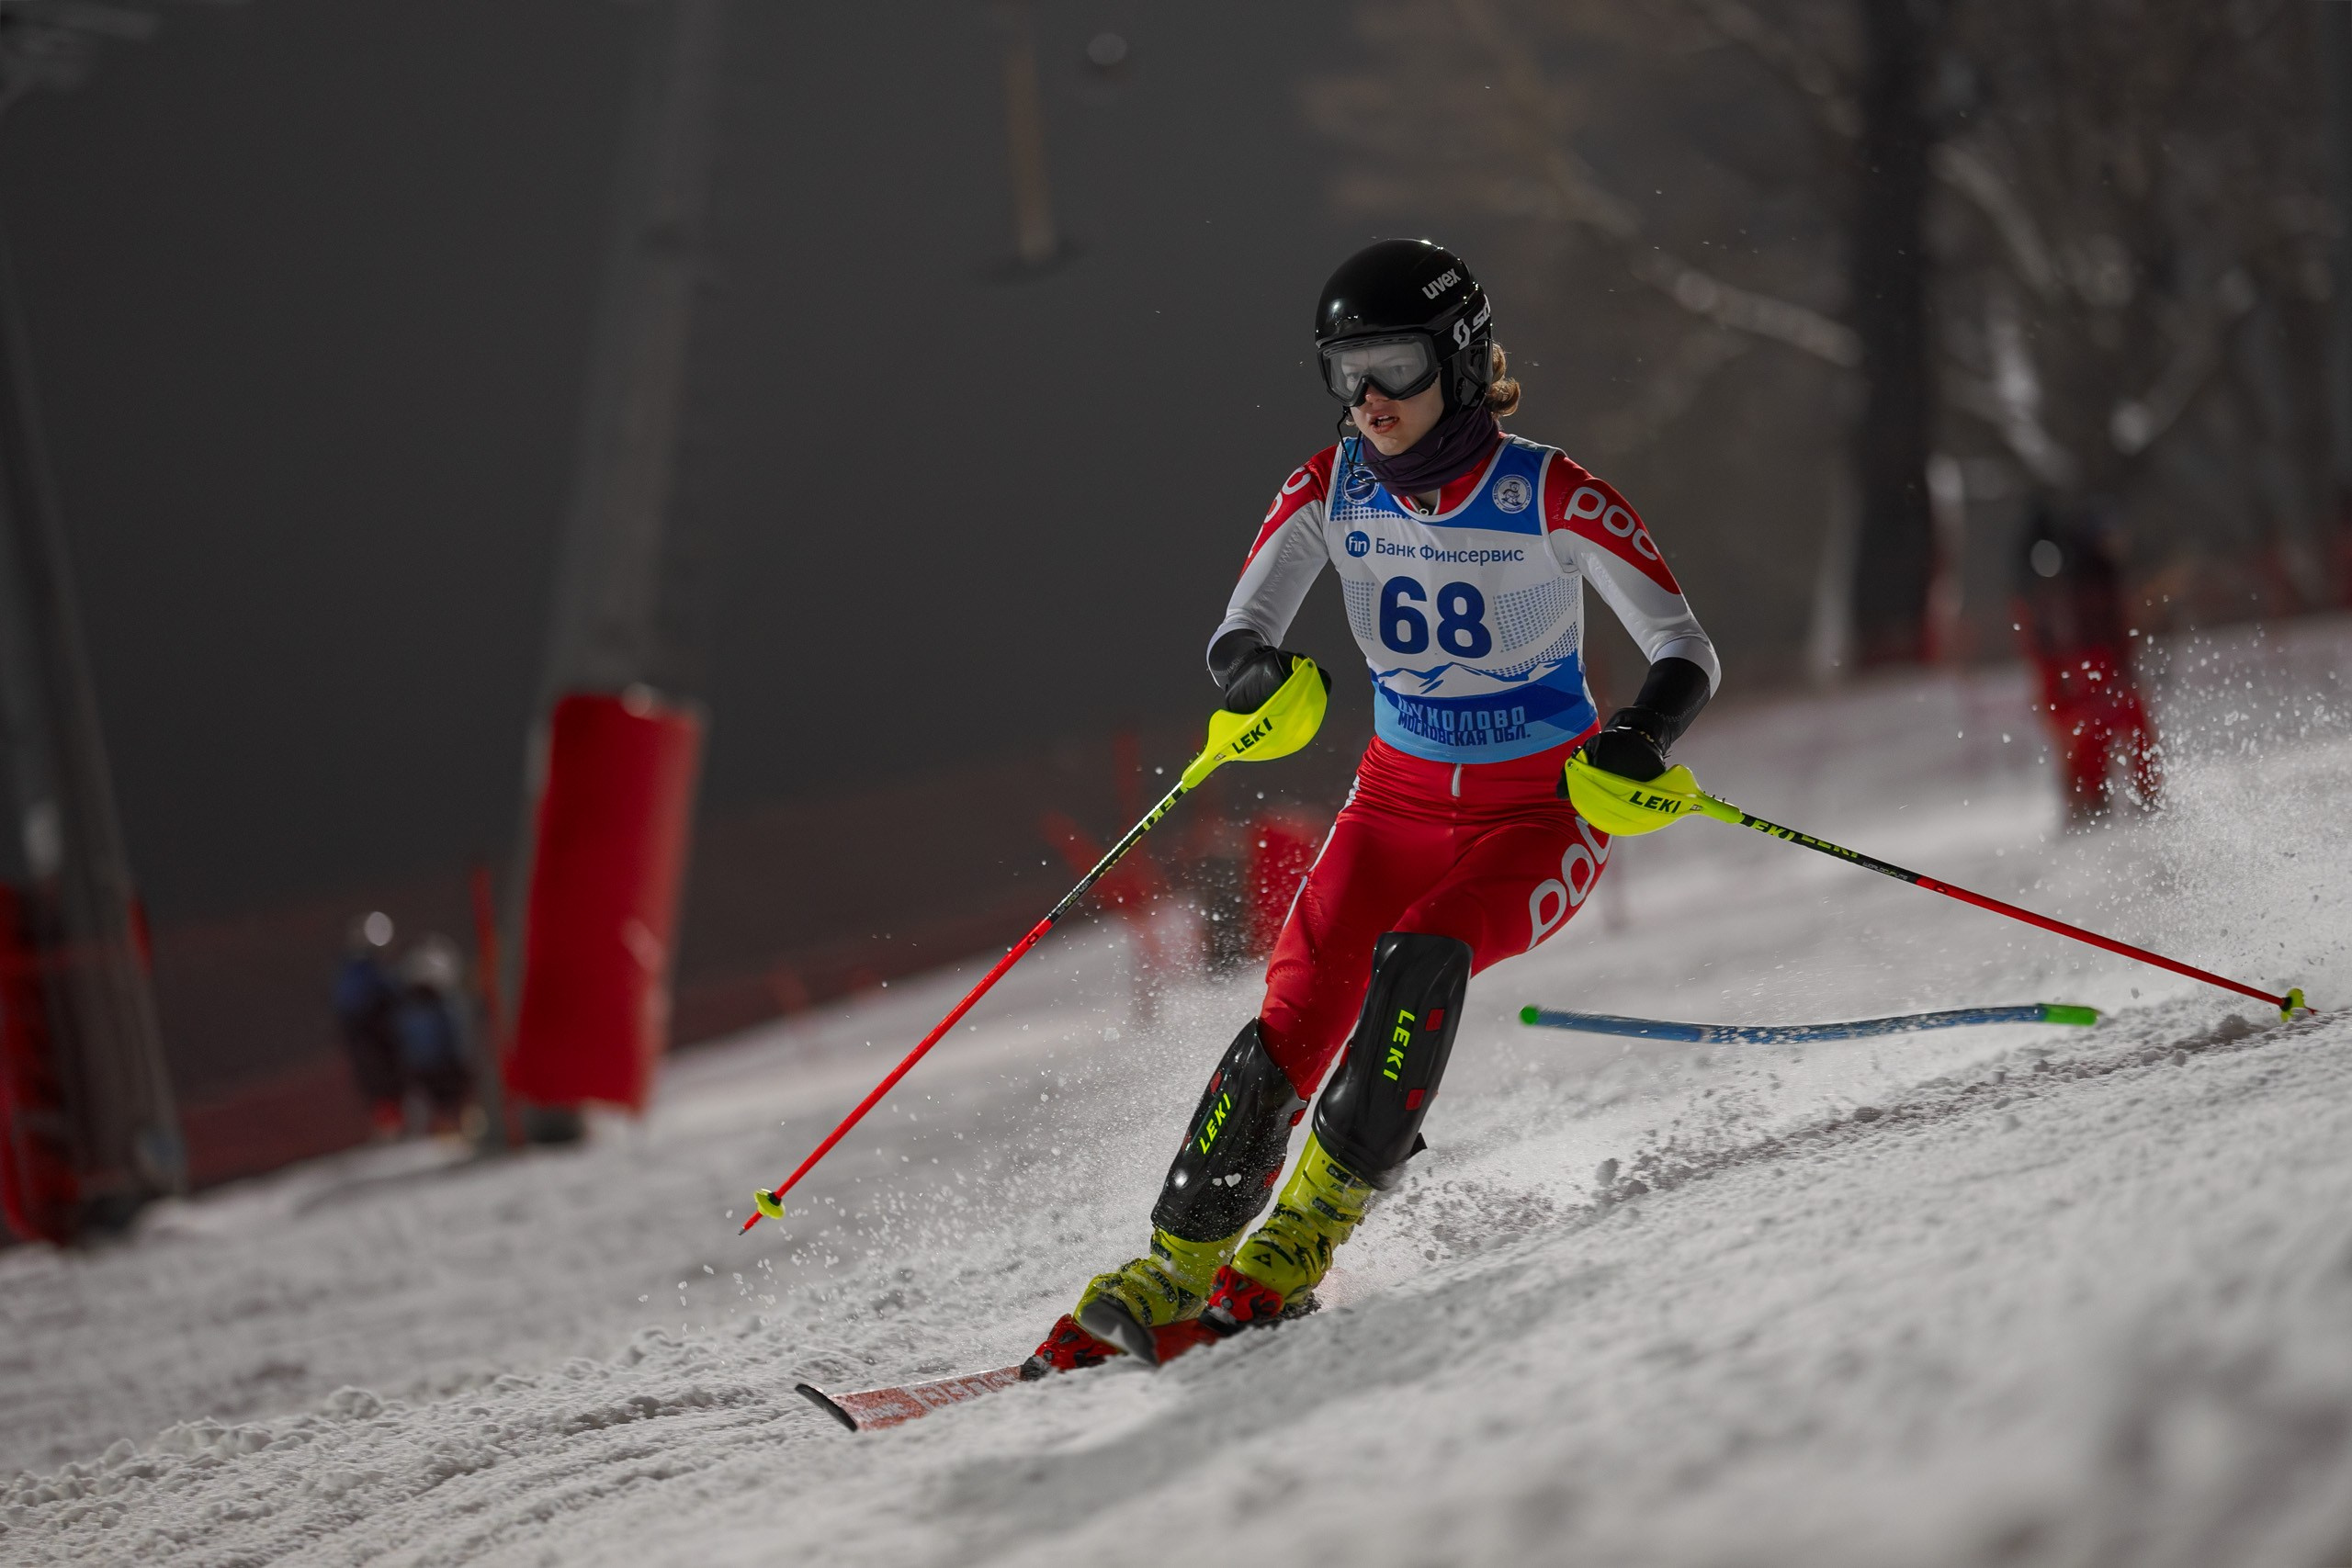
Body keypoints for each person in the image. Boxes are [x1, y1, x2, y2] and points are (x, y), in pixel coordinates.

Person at [1028, 239, 1720, 1372]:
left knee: (1418, 960)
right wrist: (1258, 680)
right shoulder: (1326, 486)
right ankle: (1170, 1267)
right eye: (1344, 370)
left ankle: (1299, 1243)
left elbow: (1682, 648)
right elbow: (1237, 633)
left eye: (1392, 364)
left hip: (1541, 813)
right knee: (1293, 1015)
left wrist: (1642, 736)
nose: (1369, 398)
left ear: (1455, 355)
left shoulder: (1548, 490)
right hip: (1391, 804)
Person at [2014, 499, 2160, 823]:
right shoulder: (2071, 581)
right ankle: (2090, 798)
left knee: (2116, 724)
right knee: (2089, 728)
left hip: (2096, 661)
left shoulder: (2098, 575)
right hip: (2083, 662)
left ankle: (2119, 794)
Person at [333, 913, 406, 1139]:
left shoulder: (352, 971)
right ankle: (392, 1124)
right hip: (373, 1034)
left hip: (363, 1036)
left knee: (377, 1080)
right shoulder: (367, 971)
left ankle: (391, 1123)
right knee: (385, 1078)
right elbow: (387, 993)